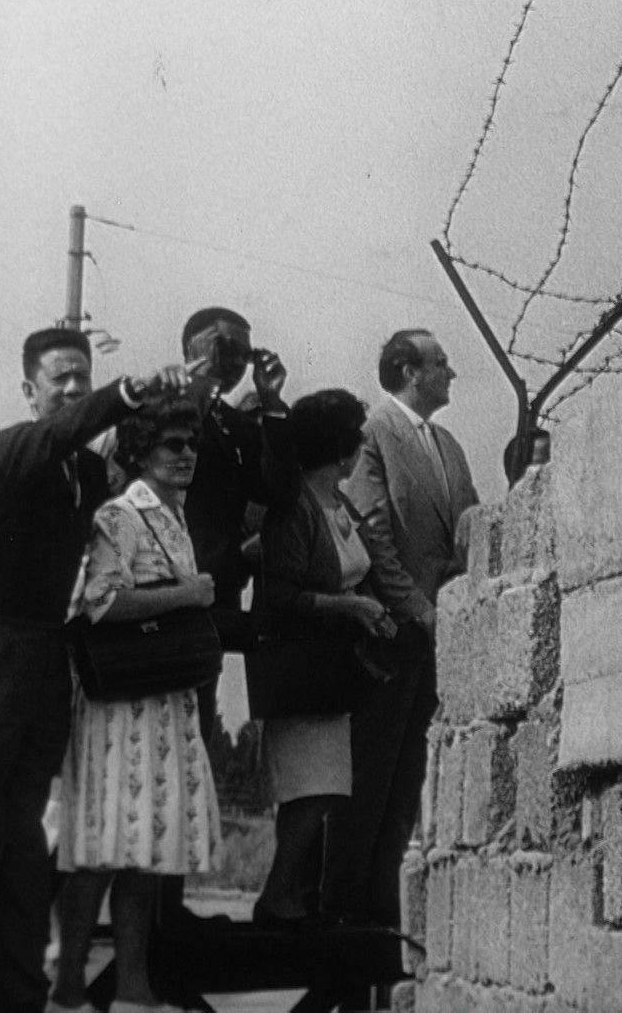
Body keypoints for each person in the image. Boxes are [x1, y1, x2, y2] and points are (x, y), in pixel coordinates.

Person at [0, 328, 190, 1013]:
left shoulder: (92, 476)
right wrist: (124, 393)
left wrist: (193, 389)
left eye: (83, 376)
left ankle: (20, 996)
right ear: (29, 391)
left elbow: (150, 454)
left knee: (24, 849)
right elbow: (68, 431)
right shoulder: (14, 450)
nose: (72, 388)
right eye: (60, 379)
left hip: (42, 657)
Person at [48, 395, 221, 1013]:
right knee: (100, 847)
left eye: (192, 444)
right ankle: (68, 981)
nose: (186, 455)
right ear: (142, 452)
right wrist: (185, 595)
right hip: (120, 705)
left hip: (162, 703)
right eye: (173, 445)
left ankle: (131, 984)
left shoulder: (173, 516)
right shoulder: (122, 515)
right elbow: (99, 603)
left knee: (143, 853)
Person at [325, 330, 478, 942]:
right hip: (393, 630)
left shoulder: (449, 445)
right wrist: (416, 608)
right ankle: (342, 902)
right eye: (441, 363)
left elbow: (468, 526)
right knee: (371, 771)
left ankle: (381, 902)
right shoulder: (374, 435)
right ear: (410, 372)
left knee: (411, 773)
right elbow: (374, 530)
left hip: (440, 628)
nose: (452, 372)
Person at [251, 389, 394, 930]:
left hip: (328, 673)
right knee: (314, 790)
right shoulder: (295, 510)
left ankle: (290, 896)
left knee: (318, 789)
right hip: (299, 671)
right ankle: (277, 897)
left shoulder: (336, 507)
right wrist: (352, 606)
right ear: (341, 451)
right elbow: (283, 596)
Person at [179, 307, 291, 737]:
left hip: (217, 596)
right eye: (226, 347)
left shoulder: (235, 425)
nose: (237, 361)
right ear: (192, 346)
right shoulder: (161, 404)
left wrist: (273, 403)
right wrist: (198, 382)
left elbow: (280, 493)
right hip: (162, 587)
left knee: (196, 731)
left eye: (245, 352)